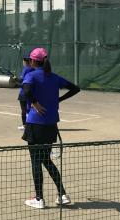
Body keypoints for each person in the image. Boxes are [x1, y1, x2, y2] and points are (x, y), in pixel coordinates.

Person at [21, 47, 80, 209]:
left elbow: (26, 90)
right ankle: (62, 194)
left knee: (36, 161)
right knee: (46, 160)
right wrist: (58, 100)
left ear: (33, 61)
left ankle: (39, 199)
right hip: (51, 125)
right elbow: (76, 88)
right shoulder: (54, 77)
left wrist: (34, 102)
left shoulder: (31, 75)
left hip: (35, 125)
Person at [17, 54, 34, 131]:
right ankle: (31, 125)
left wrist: (15, 80)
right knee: (29, 109)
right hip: (31, 92)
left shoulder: (26, 69)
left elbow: (22, 81)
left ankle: (25, 125)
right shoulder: (34, 69)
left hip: (23, 93)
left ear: (25, 61)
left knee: (24, 110)